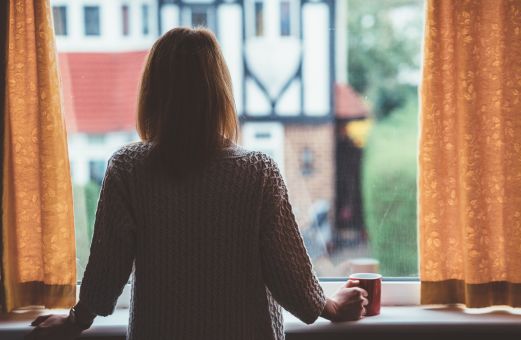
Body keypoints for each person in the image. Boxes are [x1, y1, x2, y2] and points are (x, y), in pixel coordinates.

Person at [26, 27, 368, 340]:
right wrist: (331, 307)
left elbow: (105, 272)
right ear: (219, 93)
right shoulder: (258, 173)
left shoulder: (128, 169)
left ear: (153, 92)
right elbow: (292, 280)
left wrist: (75, 322)